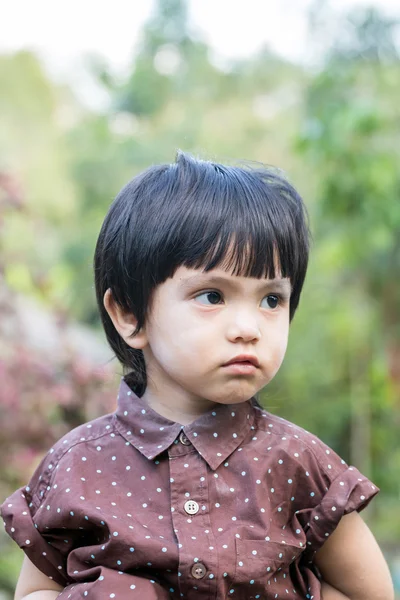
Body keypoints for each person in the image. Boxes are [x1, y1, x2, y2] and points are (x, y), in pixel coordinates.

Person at [1, 152, 394, 600]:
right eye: (212, 295)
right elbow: (36, 592)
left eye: (271, 300)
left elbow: (370, 592)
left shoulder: (298, 463)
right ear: (130, 314)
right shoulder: (76, 465)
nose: (248, 328)